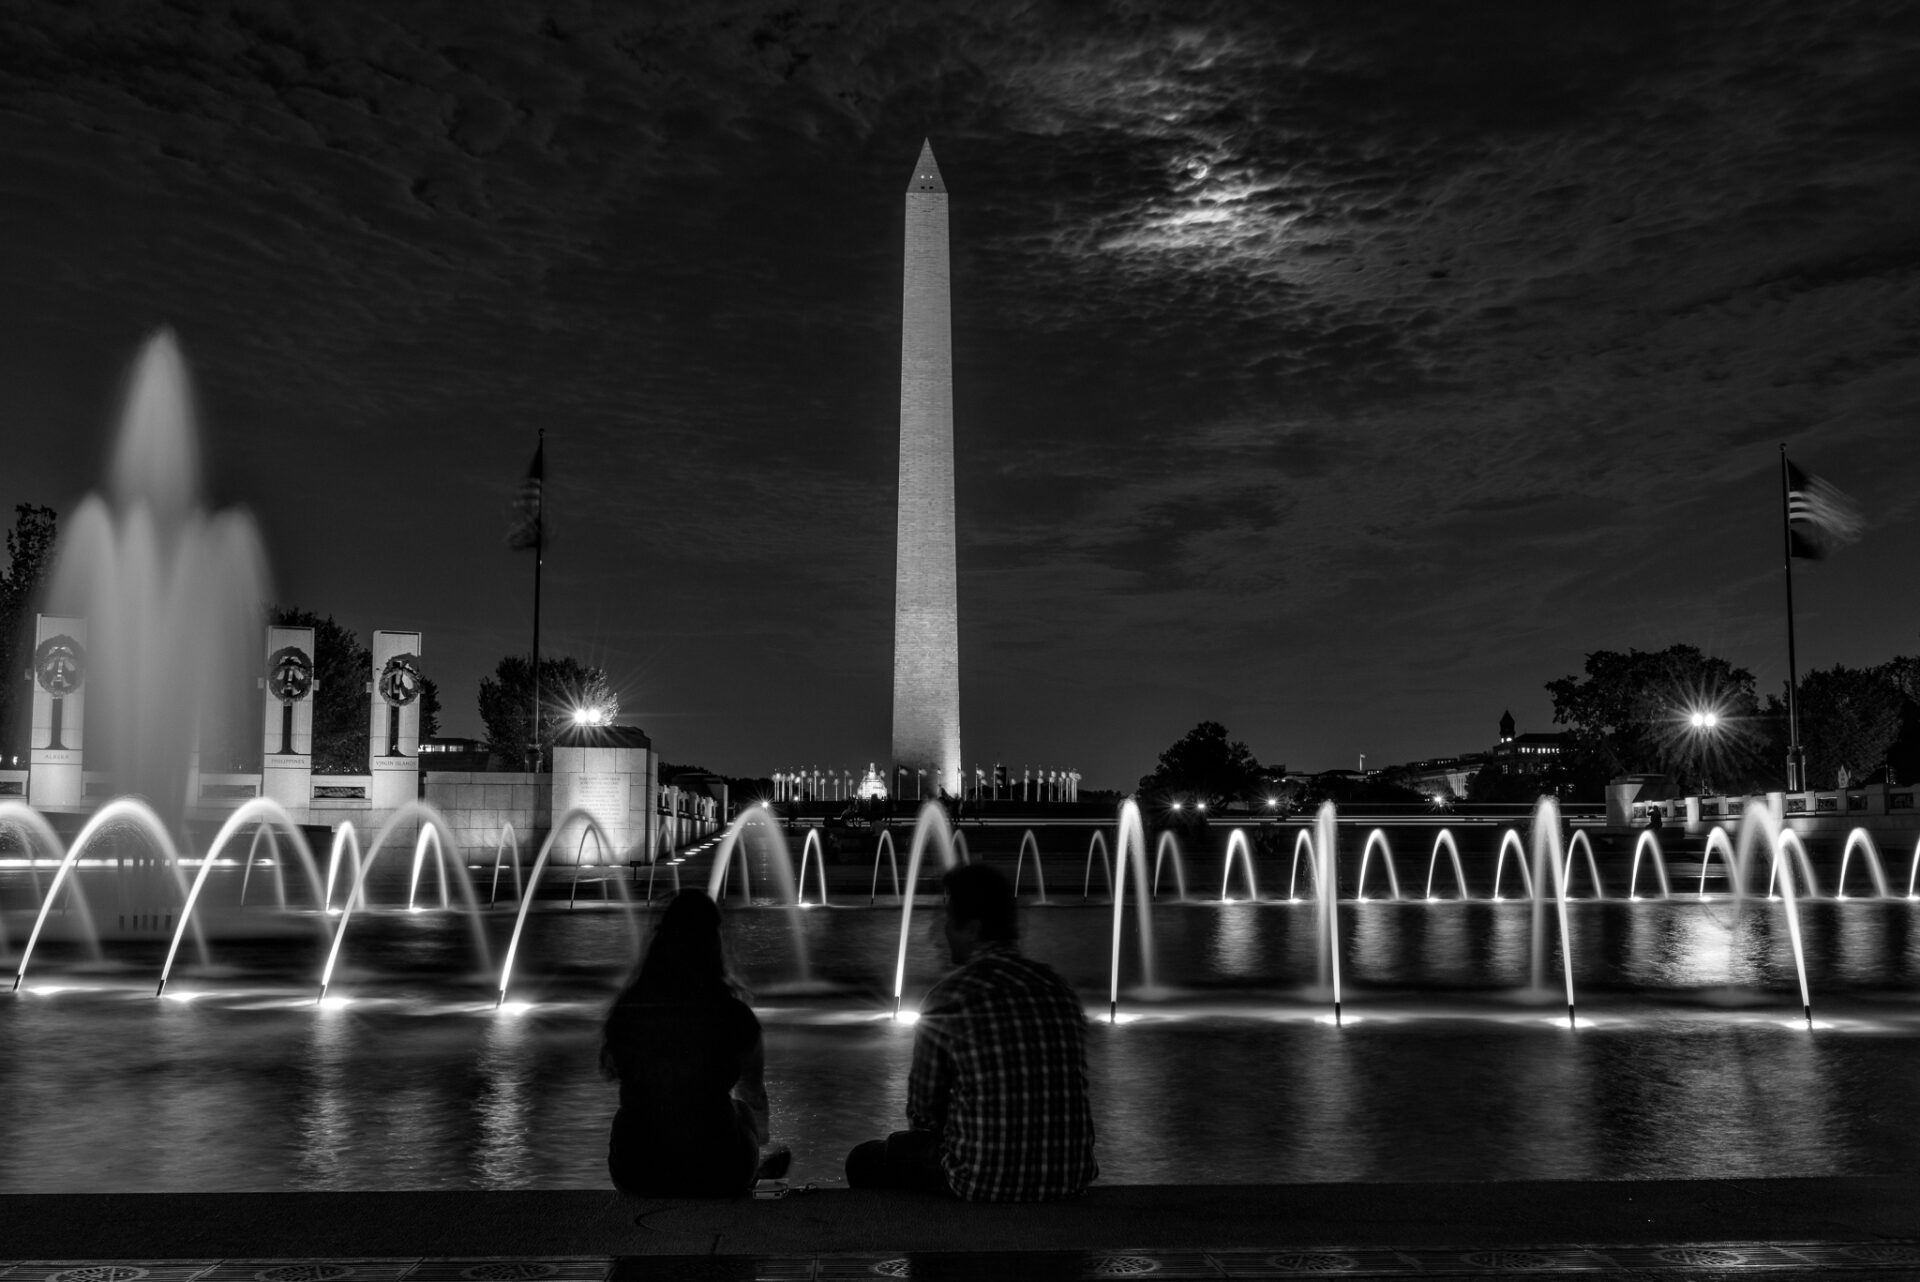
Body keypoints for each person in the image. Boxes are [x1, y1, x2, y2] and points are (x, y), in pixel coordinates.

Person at [846, 863, 1097, 1201]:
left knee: (866, 1159)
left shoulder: (951, 997)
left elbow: (924, 1115)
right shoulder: (1058, 988)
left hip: (982, 1182)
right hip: (1070, 1177)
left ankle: (920, 1241)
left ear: (974, 929)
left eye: (947, 921)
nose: (935, 934)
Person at [600, 889, 788, 1197]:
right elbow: (752, 1093)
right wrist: (760, 1134)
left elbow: (614, 1071)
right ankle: (752, 1174)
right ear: (713, 945)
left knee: (628, 1117)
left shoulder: (629, 1008)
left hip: (635, 1170)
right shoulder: (733, 1015)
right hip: (714, 1170)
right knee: (741, 1111)